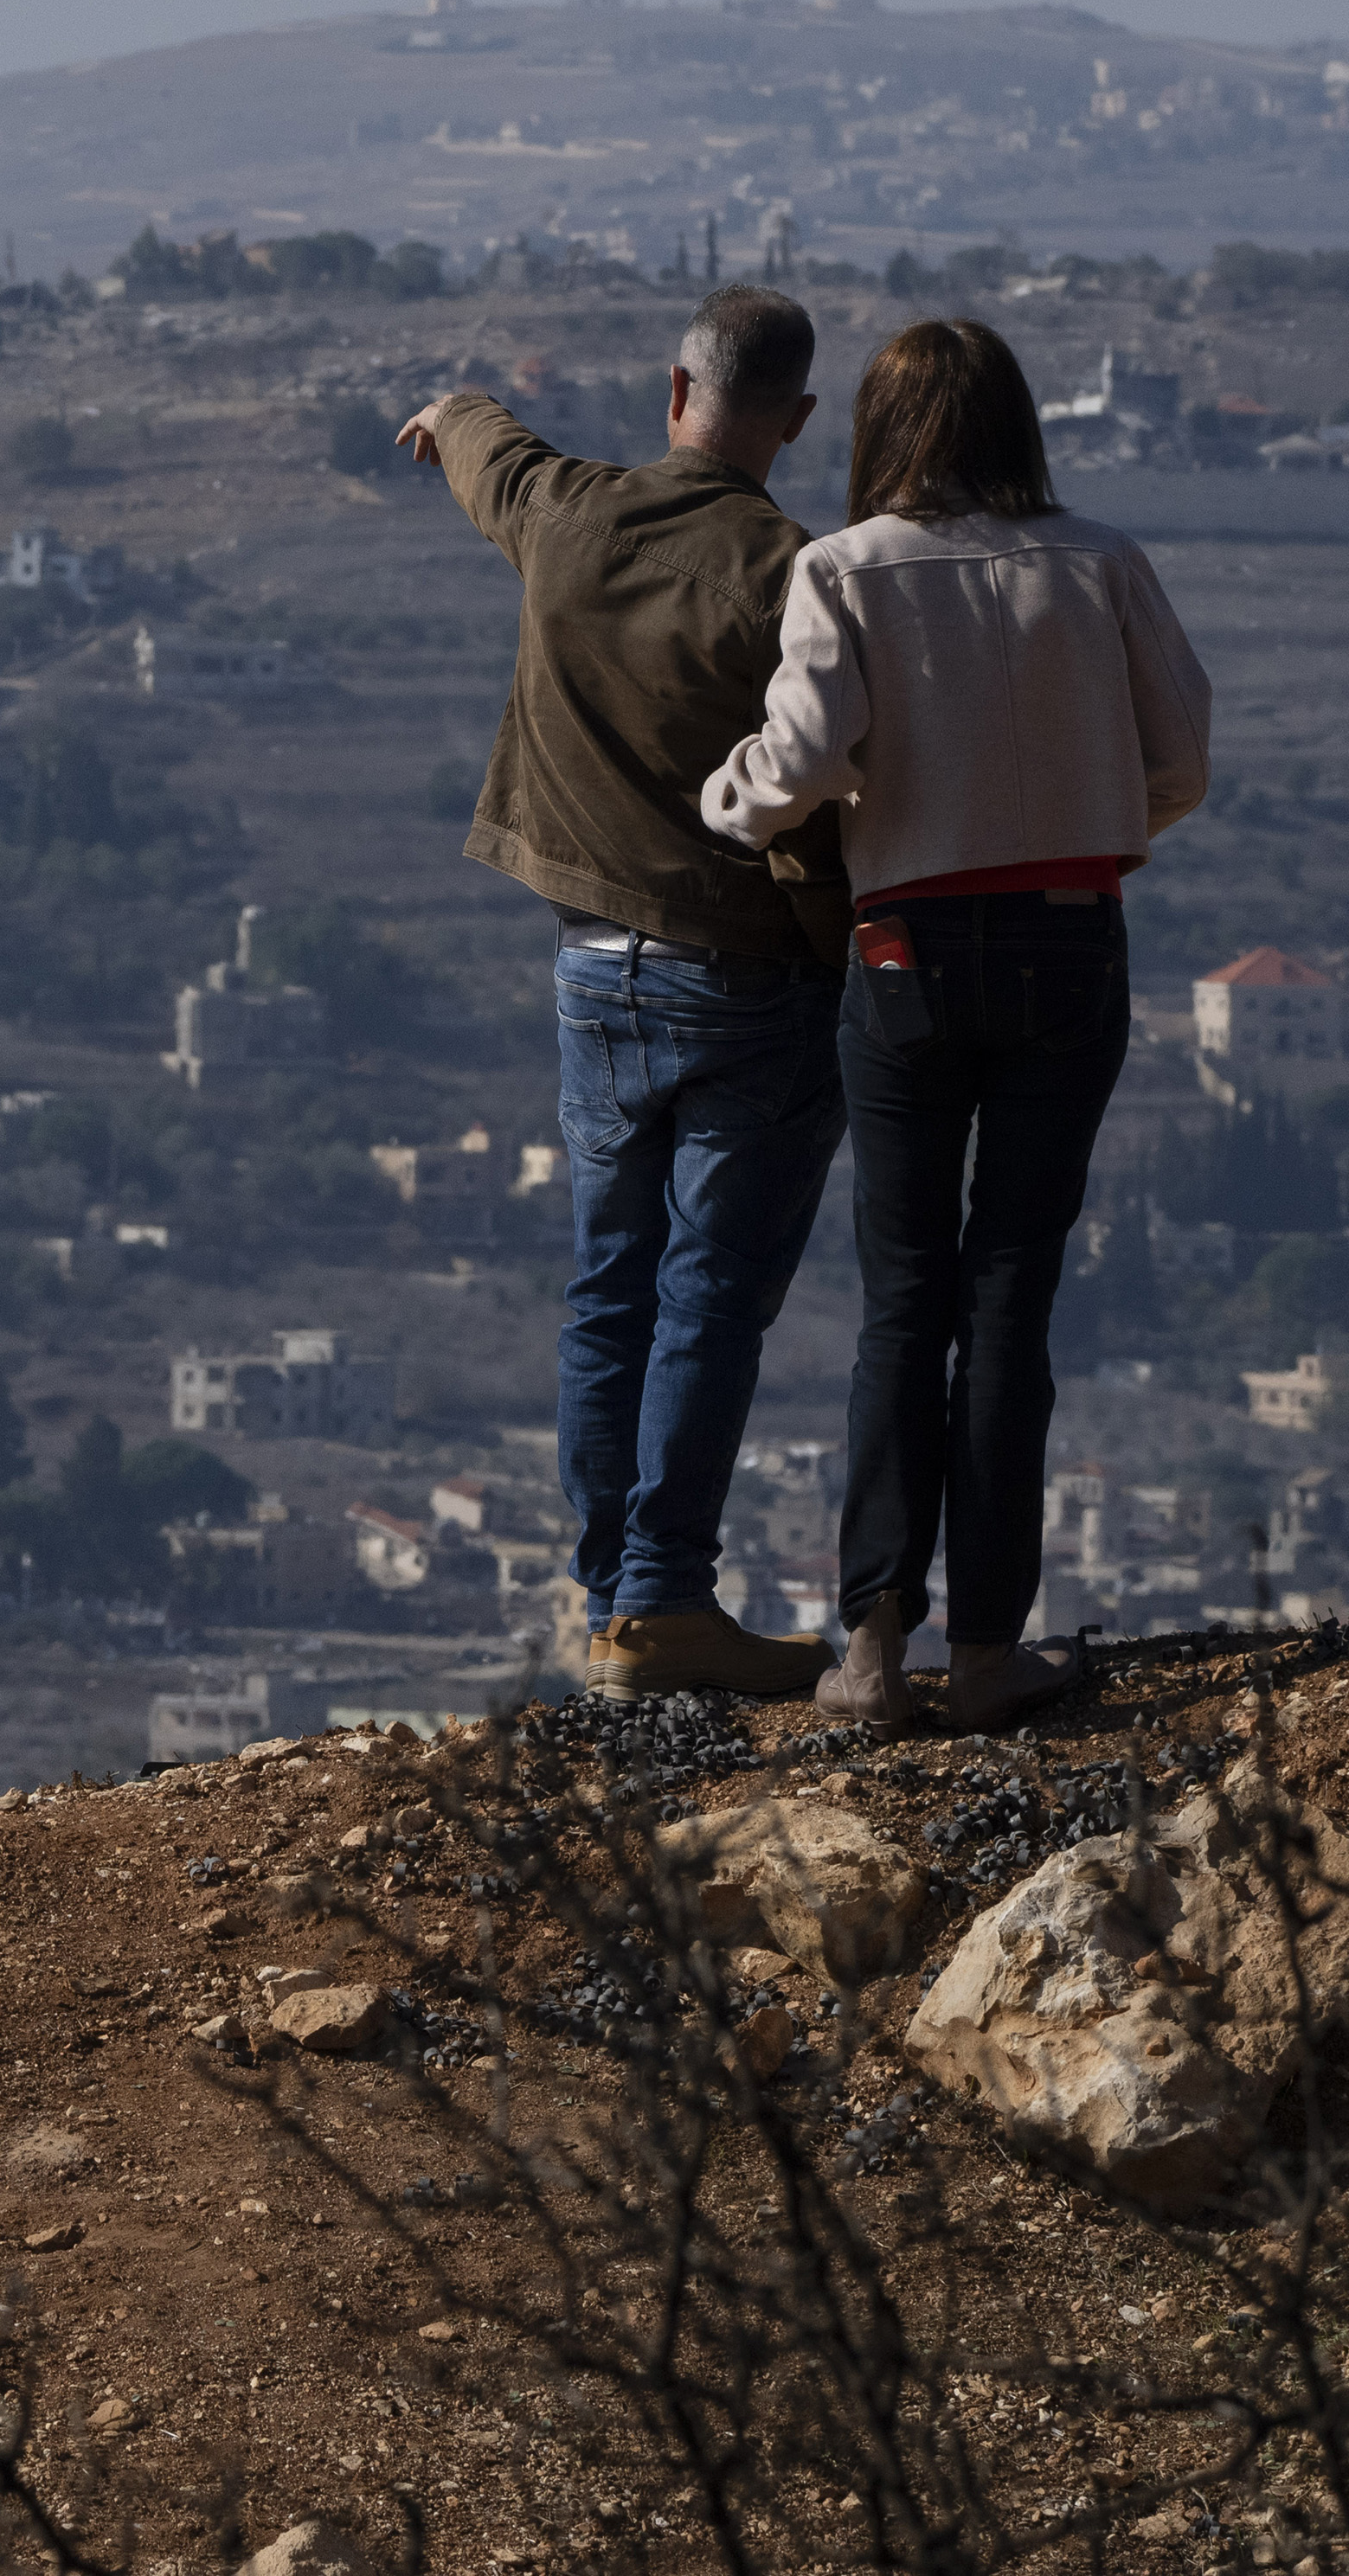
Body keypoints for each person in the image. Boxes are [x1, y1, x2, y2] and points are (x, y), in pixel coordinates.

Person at [703, 317, 1211, 1733]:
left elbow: (798, 761)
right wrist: (1086, 820)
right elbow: (1182, 758)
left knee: (903, 1293)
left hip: (905, 948)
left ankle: (870, 1649)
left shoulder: (844, 570)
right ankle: (989, 1647)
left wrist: (727, 802)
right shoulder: (1101, 560)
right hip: (1068, 937)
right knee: (1012, 1292)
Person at [400, 289, 854, 1704]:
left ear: (674, 389)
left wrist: (449, 409)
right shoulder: (797, 573)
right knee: (709, 1295)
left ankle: (612, 1601)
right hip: (752, 983)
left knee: (609, 1286)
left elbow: (493, 452)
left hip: (593, 970)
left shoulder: (571, 515)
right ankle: (662, 1600)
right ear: (796, 419)